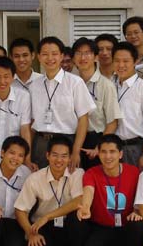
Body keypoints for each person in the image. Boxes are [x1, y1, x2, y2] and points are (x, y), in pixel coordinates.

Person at [75, 134, 143, 246]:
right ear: (98, 154)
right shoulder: (91, 173)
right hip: (102, 228)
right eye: (103, 152)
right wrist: (85, 207)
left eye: (112, 152)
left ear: (120, 154)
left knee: (137, 224)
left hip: (126, 227)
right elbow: (88, 191)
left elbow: (142, 198)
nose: (108, 156)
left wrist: (136, 211)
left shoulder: (134, 172)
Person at [14, 135, 85, 246]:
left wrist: (48, 216)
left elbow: (79, 201)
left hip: (68, 224)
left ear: (70, 157)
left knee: (79, 220)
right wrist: (30, 233)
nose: (59, 160)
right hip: (44, 226)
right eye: (55, 155)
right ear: (47, 155)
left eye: (64, 156)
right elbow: (20, 210)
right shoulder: (35, 178)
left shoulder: (77, 174)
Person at [28, 36, 95, 170]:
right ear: (39, 57)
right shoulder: (34, 85)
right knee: (41, 181)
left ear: (61, 56)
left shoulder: (75, 82)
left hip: (67, 142)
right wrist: (28, 155)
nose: (50, 58)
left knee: (68, 181)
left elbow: (83, 119)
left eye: (54, 54)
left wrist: (75, 151)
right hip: (40, 143)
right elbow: (31, 122)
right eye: (45, 54)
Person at [72, 37, 121, 169]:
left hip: (96, 141)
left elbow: (112, 121)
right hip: (73, 140)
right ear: (73, 58)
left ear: (95, 57)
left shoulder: (106, 85)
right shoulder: (70, 83)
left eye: (87, 53)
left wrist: (99, 147)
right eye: (78, 53)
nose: (83, 57)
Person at [113, 42, 143, 168]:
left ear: (135, 61)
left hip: (135, 148)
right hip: (114, 148)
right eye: (117, 61)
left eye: (126, 61)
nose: (121, 65)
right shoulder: (111, 85)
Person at [123, 16, 143, 81]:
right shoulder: (122, 59)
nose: (133, 36)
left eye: (136, 32)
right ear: (125, 37)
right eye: (129, 34)